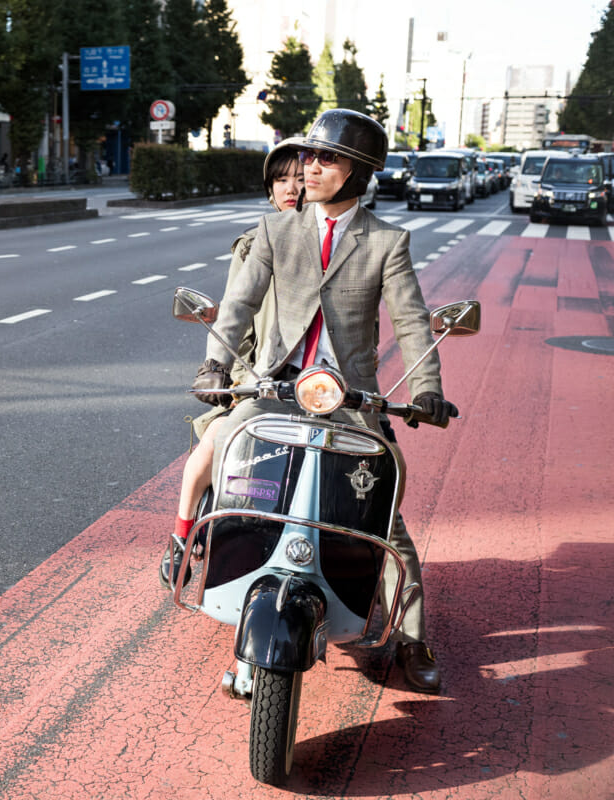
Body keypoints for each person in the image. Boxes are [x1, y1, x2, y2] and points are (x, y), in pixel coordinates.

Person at [170, 109, 459, 695]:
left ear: (359, 171)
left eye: (326, 158)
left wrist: (427, 390)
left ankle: (411, 638)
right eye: (308, 156)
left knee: (386, 512)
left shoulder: (387, 241)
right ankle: (196, 551)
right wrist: (216, 365)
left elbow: (409, 323)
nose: (311, 167)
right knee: (227, 456)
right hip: (275, 386)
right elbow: (240, 302)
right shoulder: (279, 229)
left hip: (349, 397)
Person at [161, 137, 306, 592]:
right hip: (262, 380)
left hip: (327, 389)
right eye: (281, 180)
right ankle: (183, 536)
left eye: (301, 178)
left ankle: (406, 633)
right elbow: (235, 316)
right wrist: (222, 372)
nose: (292, 188)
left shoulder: (344, 245)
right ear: (268, 190)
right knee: (212, 446)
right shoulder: (254, 245)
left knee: (381, 488)